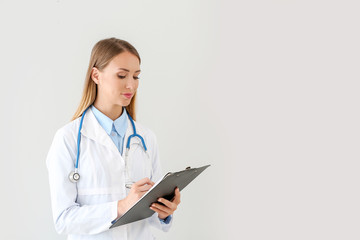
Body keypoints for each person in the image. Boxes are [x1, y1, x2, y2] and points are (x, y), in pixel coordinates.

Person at [46, 37, 181, 239]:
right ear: (96, 75)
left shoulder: (146, 138)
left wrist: (163, 212)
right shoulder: (68, 139)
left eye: (136, 77)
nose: (131, 85)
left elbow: (150, 216)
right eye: (121, 76)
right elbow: (64, 220)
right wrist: (120, 207)